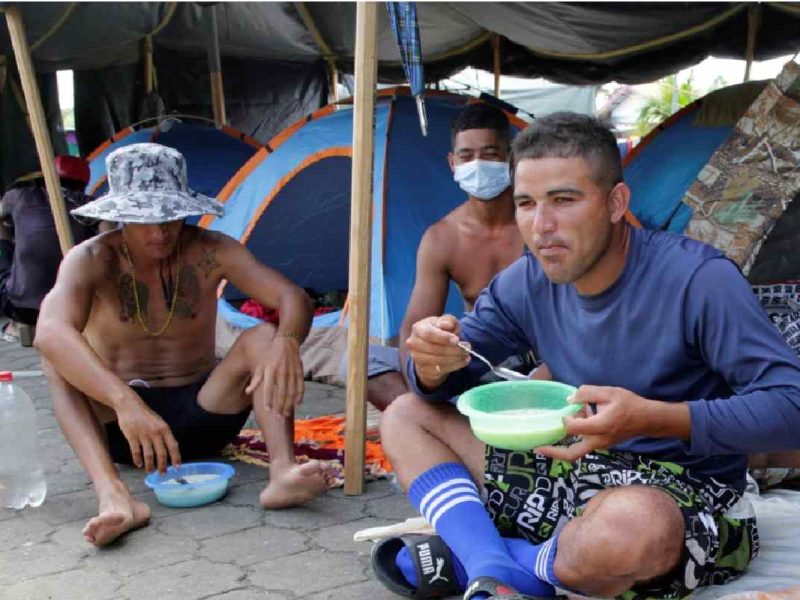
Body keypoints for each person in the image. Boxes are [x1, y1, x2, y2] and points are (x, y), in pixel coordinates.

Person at [374, 113, 800, 599]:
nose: (541, 226)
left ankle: (476, 555)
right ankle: (494, 564)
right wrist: (431, 364)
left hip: (687, 495)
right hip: (571, 469)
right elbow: (449, 373)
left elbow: (791, 407)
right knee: (406, 414)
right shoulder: (526, 282)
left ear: (616, 203)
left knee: (629, 529)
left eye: (564, 200)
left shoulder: (698, 280)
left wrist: (652, 418)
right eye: (526, 204)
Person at [35, 143, 331, 547]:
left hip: (205, 413)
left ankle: (282, 472)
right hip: (124, 430)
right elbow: (49, 332)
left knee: (265, 337)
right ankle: (115, 497)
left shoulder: (211, 249)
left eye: (170, 216)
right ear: (120, 215)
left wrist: (288, 342)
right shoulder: (93, 258)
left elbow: (291, 297)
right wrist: (126, 403)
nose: (160, 232)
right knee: (57, 360)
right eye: (145, 220)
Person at [359, 103, 530, 411]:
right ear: (453, 163)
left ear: (512, 158)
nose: (478, 165)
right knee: (362, 359)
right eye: (466, 156)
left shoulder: (536, 224)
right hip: (476, 358)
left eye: (490, 154)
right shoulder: (442, 237)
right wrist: (422, 381)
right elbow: (414, 327)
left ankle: (442, 422)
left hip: (537, 360)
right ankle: (434, 417)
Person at [0, 156, 100, 338]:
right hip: (76, 305)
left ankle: (14, 327)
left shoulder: (20, 196)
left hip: (21, 309)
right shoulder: (89, 204)